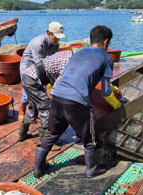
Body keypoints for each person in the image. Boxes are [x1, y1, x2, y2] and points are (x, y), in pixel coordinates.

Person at [33, 25, 122, 178]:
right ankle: (91, 170)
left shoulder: (78, 53)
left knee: (52, 133)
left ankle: (38, 169)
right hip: (76, 102)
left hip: (57, 96)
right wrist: (118, 106)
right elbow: (107, 91)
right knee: (89, 138)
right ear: (106, 42)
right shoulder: (106, 58)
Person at [18, 50, 73, 150]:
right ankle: (45, 141)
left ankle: (22, 134)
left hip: (28, 77)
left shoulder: (67, 53)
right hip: (33, 80)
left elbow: (53, 74)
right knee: (46, 108)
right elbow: (56, 87)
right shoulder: (68, 63)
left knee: (33, 107)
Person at [18, 22, 65, 123]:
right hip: (28, 66)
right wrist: (48, 85)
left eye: (59, 38)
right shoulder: (38, 43)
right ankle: (21, 110)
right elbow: (39, 65)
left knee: (40, 92)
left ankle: (33, 114)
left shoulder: (56, 44)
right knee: (29, 91)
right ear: (49, 33)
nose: (57, 40)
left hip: (42, 65)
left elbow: (53, 61)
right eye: (56, 37)